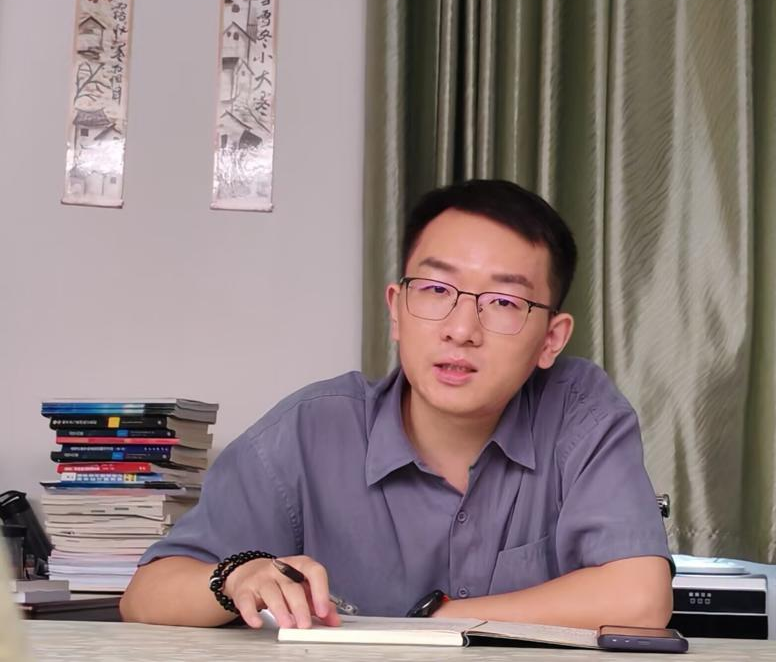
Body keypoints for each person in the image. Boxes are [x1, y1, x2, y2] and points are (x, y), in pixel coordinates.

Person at [120, 179, 673, 630]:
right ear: (396, 309)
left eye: (504, 301)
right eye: (435, 290)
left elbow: (639, 600)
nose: (461, 329)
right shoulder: (311, 430)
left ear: (551, 339)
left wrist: (441, 621)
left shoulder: (580, 412)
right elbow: (146, 595)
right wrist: (235, 578)